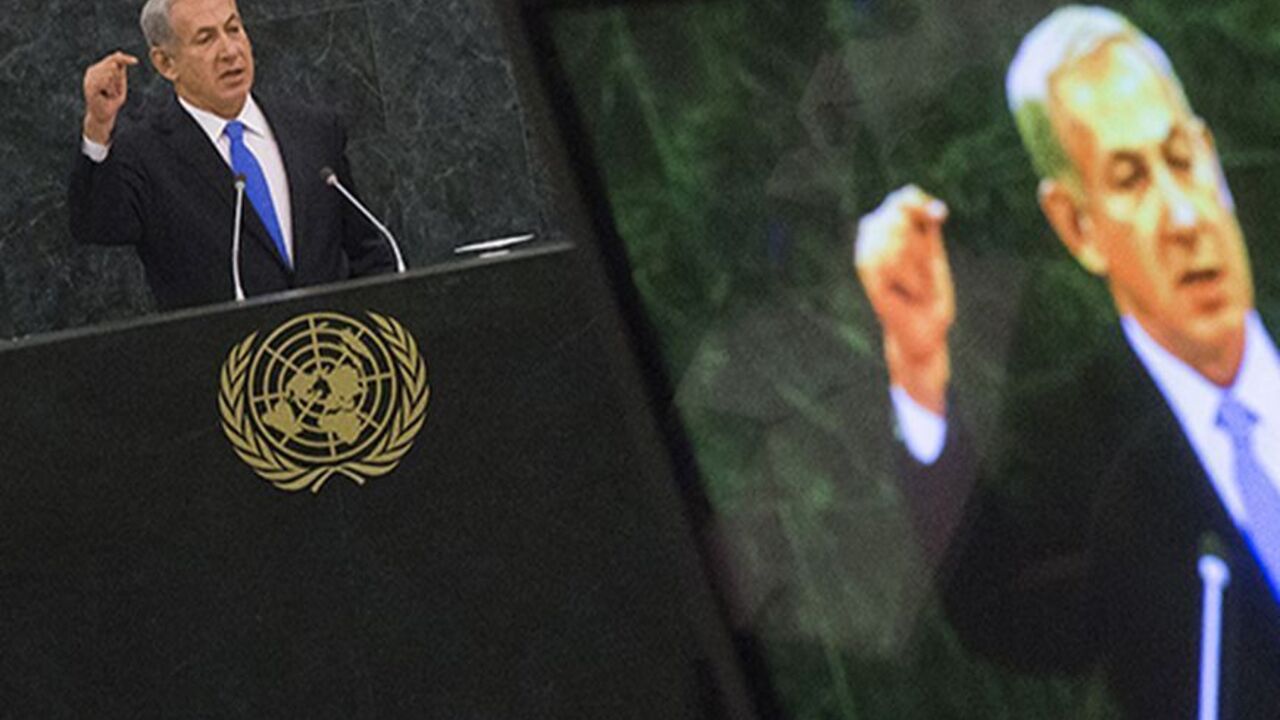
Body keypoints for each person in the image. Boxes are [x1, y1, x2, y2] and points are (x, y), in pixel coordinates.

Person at [855, 6, 1280, 718]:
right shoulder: (1074, 448)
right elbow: (998, 611)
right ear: (1076, 224)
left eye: (1181, 159)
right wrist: (919, 364)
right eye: (1131, 178)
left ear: (1212, 158)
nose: (1182, 217)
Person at [69, 0, 396, 310]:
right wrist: (98, 126)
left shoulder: (312, 129)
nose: (229, 51)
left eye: (234, 29)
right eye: (205, 39)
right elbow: (98, 226)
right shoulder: (145, 154)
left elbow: (365, 248)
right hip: (225, 360)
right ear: (166, 63)